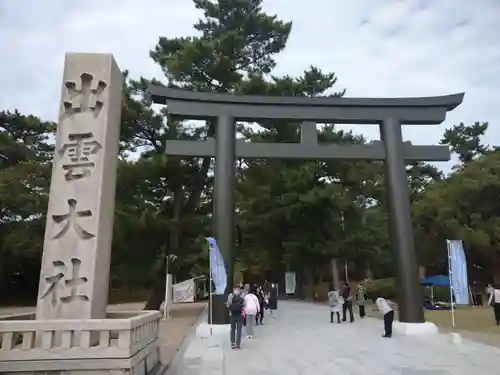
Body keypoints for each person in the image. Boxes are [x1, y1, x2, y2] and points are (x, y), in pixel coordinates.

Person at [226, 284, 245, 349]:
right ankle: (238, 344)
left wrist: (228, 305)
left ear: (233, 289)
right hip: (240, 314)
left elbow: (228, 305)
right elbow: (244, 305)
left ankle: (233, 343)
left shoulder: (230, 295)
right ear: (239, 289)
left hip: (232, 314)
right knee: (239, 329)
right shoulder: (242, 295)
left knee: (233, 329)